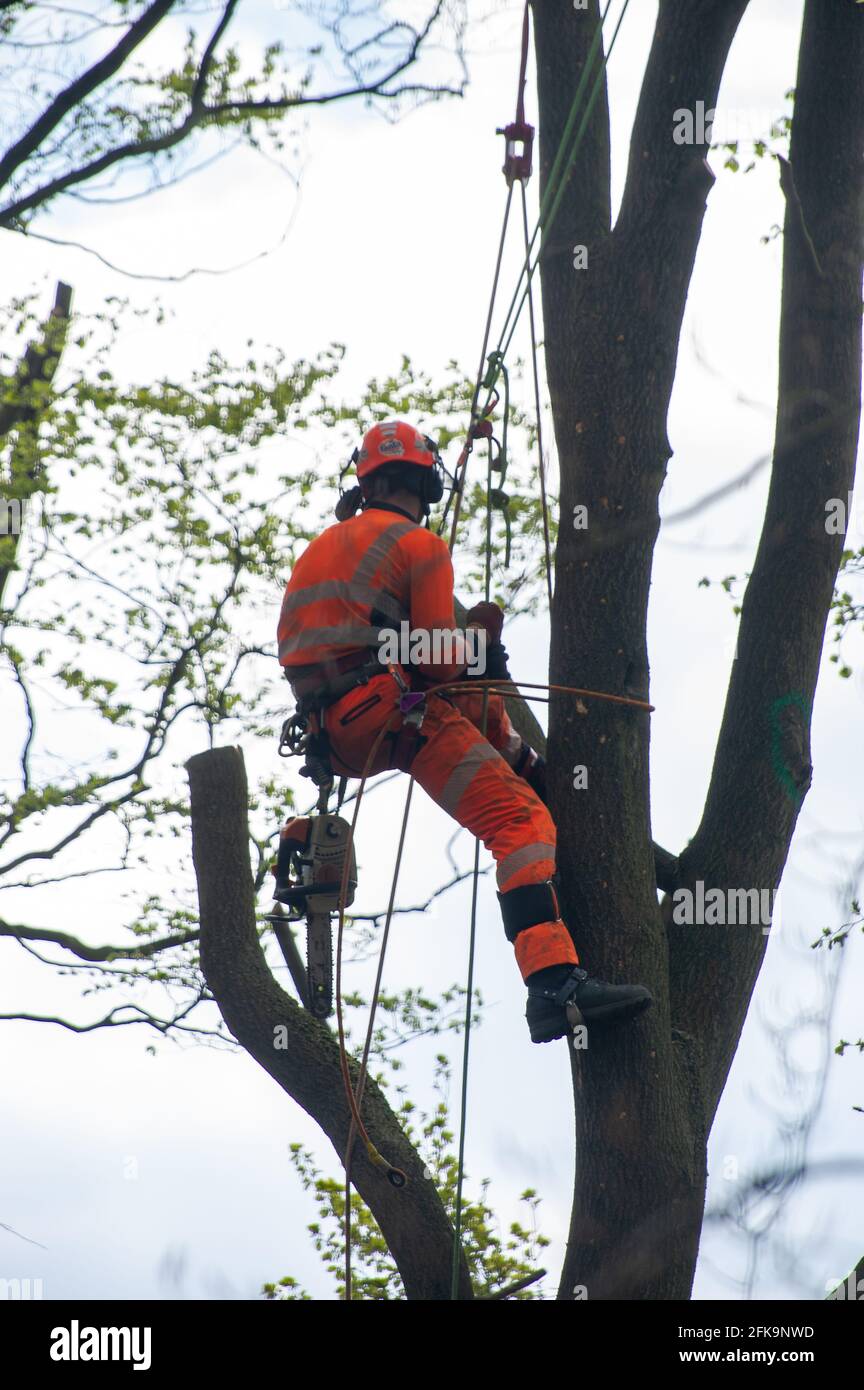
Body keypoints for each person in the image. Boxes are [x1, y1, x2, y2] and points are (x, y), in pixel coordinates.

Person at [277, 420, 652, 1042]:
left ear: (366, 481)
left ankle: (522, 763)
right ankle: (553, 985)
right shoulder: (419, 546)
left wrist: (469, 658)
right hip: (390, 714)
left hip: (330, 732)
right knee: (520, 825)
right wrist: (479, 647)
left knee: (469, 704)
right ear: (427, 482)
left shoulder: (320, 549)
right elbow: (441, 662)